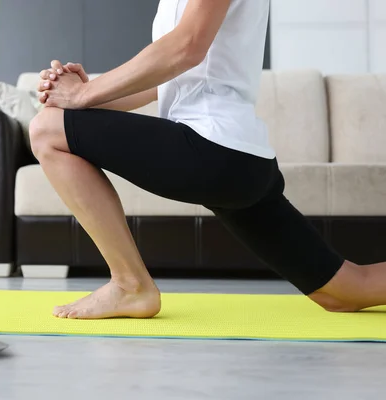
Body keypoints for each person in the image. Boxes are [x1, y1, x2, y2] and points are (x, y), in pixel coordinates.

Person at [28, 0, 386, 320]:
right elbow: (169, 78)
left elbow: (187, 47)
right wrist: (77, 100)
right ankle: (129, 285)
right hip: (242, 162)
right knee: (344, 291)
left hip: (215, 148)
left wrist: (84, 95)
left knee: (46, 131)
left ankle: (129, 284)